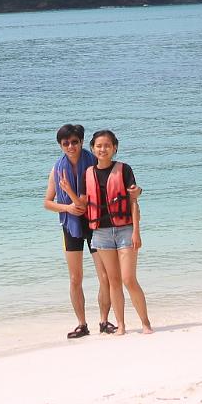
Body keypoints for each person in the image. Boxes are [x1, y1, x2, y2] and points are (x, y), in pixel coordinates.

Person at [43, 124, 141, 339]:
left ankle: (104, 321)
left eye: (74, 142)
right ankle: (81, 324)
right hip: (70, 224)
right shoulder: (57, 169)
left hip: (96, 224)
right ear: (60, 145)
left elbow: (116, 183)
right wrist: (67, 208)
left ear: (81, 142)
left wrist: (136, 192)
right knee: (75, 277)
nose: (70, 146)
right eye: (65, 143)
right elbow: (47, 202)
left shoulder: (93, 163)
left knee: (105, 276)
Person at [63, 129, 153, 335]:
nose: (102, 149)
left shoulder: (124, 169)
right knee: (113, 281)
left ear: (114, 148)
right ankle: (121, 325)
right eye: (99, 146)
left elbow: (133, 200)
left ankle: (145, 323)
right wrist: (68, 192)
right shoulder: (88, 174)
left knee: (128, 279)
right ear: (92, 148)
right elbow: (83, 205)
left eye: (107, 146)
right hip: (101, 233)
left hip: (125, 230)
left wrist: (136, 232)